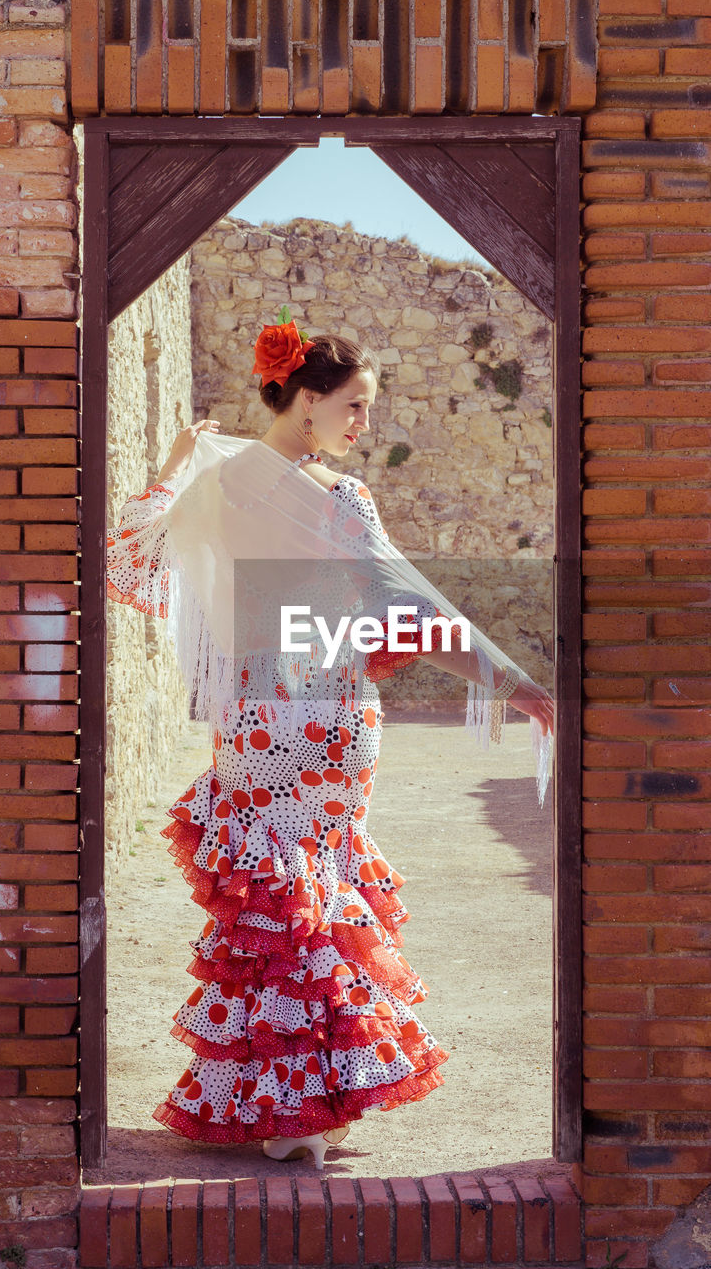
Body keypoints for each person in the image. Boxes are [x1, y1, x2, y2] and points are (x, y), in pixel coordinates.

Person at [106, 320, 554, 1169]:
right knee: (310, 898)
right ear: (308, 399)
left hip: (252, 722)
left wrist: (167, 473)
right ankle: (304, 1107)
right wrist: (512, 684)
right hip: (323, 722)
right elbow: (410, 612)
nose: (363, 426)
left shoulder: (215, 487)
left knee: (275, 903)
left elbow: (130, 570)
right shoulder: (340, 501)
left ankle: (286, 1104)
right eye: (356, 407)